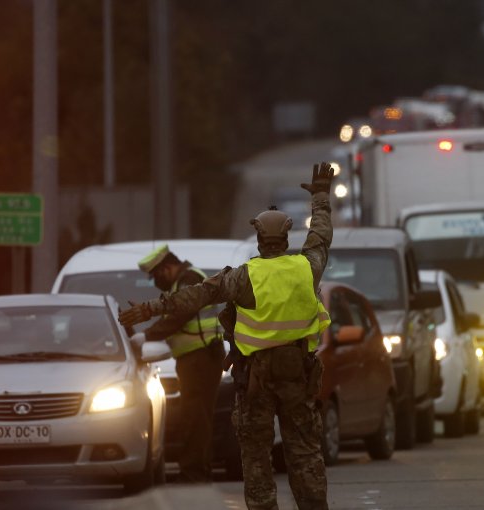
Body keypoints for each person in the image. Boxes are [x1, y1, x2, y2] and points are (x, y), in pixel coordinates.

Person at [120, 162, 335, 510]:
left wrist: (148, 309)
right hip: (298, 373)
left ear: (260, 241)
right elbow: (321, 235)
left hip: (256, 381)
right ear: (285, 239)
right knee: (304, 451)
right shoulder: (306, 267)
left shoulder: (242, 277)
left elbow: (193, 296)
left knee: (255, 455)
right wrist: (321, 197)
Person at [133, 244, 225, 483]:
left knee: (195, 420)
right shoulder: (182, 282)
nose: (155, 281)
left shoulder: (190, 280)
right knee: (197, 419)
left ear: (168, 267)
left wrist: (148, 335)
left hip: (201, 358)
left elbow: (178, 315)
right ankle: (198, 472)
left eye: (156, 275)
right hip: (197, 358)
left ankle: (193, 475)